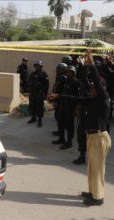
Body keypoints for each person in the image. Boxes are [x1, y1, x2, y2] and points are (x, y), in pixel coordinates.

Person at [50, 50, 111, 206]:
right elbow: (76, 97)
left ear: (99, 89)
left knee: (97, 169)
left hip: (99, 137)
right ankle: (92, 192)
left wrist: (91, 64)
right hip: (92, 136)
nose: (91, 89)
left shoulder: (103, 98)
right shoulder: (93, 99)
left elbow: (97, 81)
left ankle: (98, 198)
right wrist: (59, 96)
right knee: (92, 167)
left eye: (93, 88)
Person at [52, 66, 81, 150]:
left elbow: (77, 97)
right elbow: (61, 91)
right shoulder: (65, 81)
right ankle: (61, 138)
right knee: (60, 122)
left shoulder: (76, 82)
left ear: (74, 73)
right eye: (67, 72)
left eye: (70, 72)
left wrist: (76, 108)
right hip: (63, 105)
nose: (68, 73)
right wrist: (56, 100)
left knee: (69, 125)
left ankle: (69, 142)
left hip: (71, 107)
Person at [27, 60, 49, 127]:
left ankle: (40, 119)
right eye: (36, 65)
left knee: (39, 106)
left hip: (40, 93)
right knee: (32, 105)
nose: (37, 67)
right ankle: (34, 117)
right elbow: (29, 81)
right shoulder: (33, 73)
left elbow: (47, 85)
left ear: (41, 66)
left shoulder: (44, 74)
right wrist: (30, 89)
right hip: (33, 92)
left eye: (38, 65)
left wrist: (45, 94)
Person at [52, 63, 68, 136]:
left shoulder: (63, 78)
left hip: (60, 99)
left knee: (59, 117)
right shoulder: (60, 77)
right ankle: (60, 130)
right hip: (58, 98)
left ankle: (61, 131)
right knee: (58, 116)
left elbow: (60, 90)